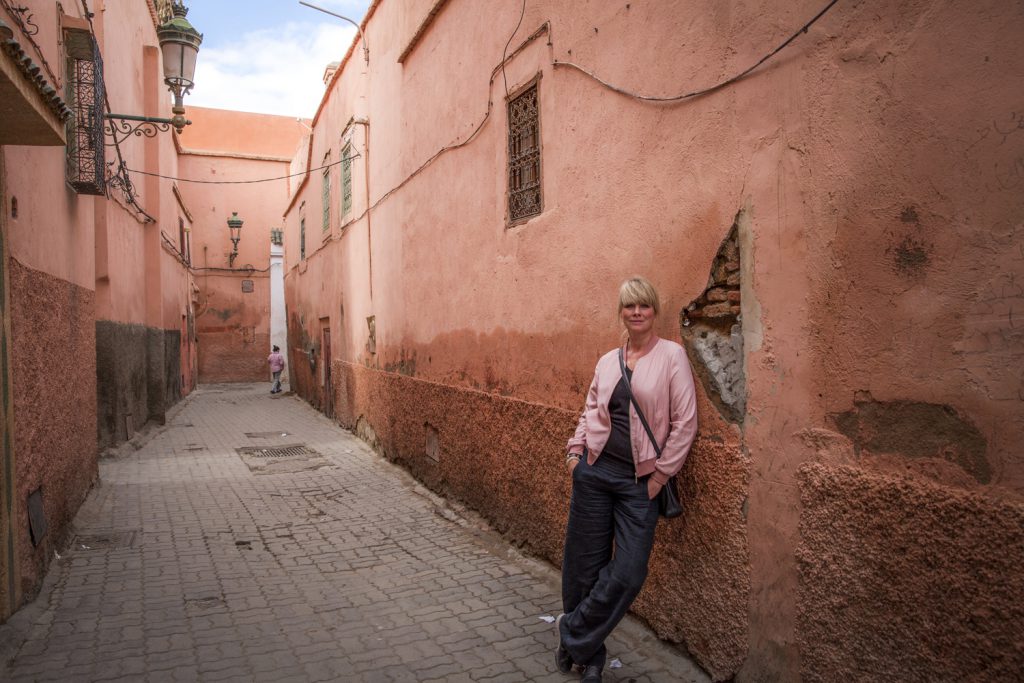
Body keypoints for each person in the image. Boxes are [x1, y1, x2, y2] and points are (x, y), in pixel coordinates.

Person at [556, 276, 698, 683]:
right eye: (629, 306)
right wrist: (574, 455)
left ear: (654, 311)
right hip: (595, 474)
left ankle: (570, 632)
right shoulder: (606, 361)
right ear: (621, 312)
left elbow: (684, 423)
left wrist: (660, 477)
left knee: (629, 572)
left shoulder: (671, 356)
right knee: (583, 567)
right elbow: (589, 411)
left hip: (640, 484)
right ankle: (591, 656)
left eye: (644, 306)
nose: (636, 313)